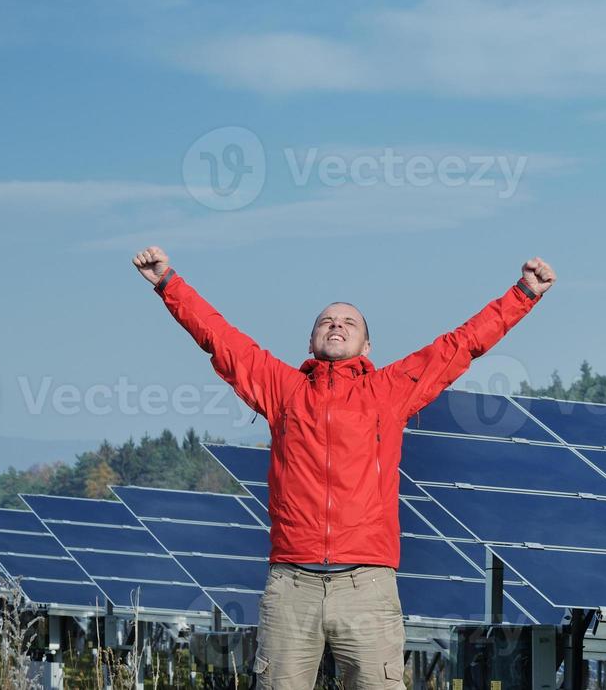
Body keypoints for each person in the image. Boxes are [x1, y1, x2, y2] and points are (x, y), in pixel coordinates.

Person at [130, 245, 554, 690]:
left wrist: (524, 292)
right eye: (326, 321)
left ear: (366, 345)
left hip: (367, 587)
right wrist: (167, 283)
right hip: (291, 586)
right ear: (311, 341)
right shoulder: (282, 389)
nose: (337, 325)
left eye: (349, 322)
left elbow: (461, 345)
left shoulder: (389, 391)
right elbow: (220, 338)